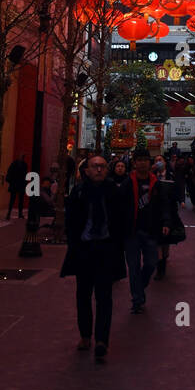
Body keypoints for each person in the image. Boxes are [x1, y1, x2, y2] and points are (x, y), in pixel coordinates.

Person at [61, 153, 127, 362]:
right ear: (86, 171)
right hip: (85, 250)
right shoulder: (79, 192)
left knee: (104, 297)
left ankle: (102, 340)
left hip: (106, 250)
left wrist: (118, 246)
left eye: (102, 166)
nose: (98, 169)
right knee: (83, 295)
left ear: (106, 170)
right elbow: (70, 222)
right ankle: (85, 335)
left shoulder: (114, 193)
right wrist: (75, 245)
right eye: (94, 166)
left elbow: (120, 221)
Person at [120, 149, 172, 313]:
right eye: (139, 160)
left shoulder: (156, 183)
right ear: (134, 163)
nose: (142, 163)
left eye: (145, 160)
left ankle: (139, 288)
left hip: (150, 231)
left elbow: (164, 204)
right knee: (134, 267)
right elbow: (119, 207)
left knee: (151, 263)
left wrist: (165, 222)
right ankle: (137, 299)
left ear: (149, 163)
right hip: (132, 232)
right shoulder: (128, 183)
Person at [5, 154, 29, 220]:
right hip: (18, 184)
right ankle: (16, 214)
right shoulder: (23, 164)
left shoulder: (16, 164)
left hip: (16, 183)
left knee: (14, 199)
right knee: (17, 199)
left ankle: (11, 213)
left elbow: (9, 171)